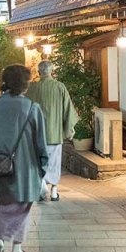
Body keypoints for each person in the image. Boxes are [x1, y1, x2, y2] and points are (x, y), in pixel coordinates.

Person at [0, 63, 48, 252]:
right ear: (25, 84)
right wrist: (42, 169)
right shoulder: (32, 108)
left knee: (4, 204)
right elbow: (41, 144)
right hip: (25, 167)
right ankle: (16, 251)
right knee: (22, 206)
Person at [27, 59, 77, 202]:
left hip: (37, 134)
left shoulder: (32, 88)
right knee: (54, 162)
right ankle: (54, 191)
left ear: (39, 72)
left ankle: (41, 186)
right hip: (55, 133)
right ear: (52, 71)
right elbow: (68, 109)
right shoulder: (60, 87)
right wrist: (69, 128)